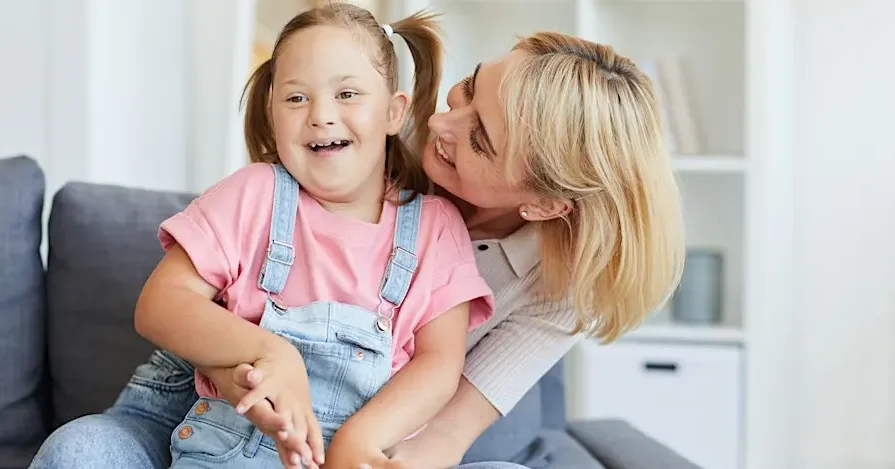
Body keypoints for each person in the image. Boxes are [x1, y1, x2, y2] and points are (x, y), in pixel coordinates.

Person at [28, 6, 685, 469]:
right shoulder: (313, 164)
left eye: (479, 137)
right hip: (217, 393)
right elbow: (182, 305)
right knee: (82, 449)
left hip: (372, 429)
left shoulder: (483, 257)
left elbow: (442, 411)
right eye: (464, 90)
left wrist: (354, 451)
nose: (443, 123)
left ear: (544, 202)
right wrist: (259, 361)